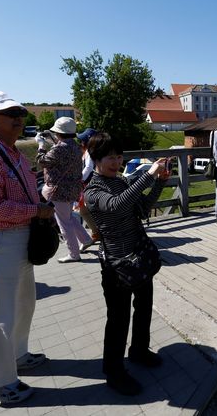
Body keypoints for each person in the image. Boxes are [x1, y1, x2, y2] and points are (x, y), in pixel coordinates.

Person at [0, 91, 55, 405]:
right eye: (9, 113)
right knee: (0, 314)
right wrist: (36, 211)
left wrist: (38, 207)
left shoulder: (13, 154)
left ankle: (17, 355)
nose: (18, 118)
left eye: (19, 112)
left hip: (18, 239)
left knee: (23, 303)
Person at [83, 133, 170, 396]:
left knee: (144, 308)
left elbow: (141, 207)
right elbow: (116, 207)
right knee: (118, 320)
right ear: (96, 159)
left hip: (139, 258)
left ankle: (139, 351)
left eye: (119, 156)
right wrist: (148, 175)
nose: (116, 161)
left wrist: (159, 184)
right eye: (110, 157)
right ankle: (114, 372)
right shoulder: (93, 191)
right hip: (116, 266)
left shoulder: (119, 182)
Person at [36, 117, 93, 263]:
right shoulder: (75, 146)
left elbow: (42, 161)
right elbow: (62, 152)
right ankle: (86, 239)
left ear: (58, 133)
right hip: (72, 189)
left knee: (64, 223)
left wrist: (41, 145)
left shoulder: (59, 148)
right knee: (68, 218)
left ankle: (74, 254)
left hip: (59, 191)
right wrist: (53, 142)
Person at [76, 127, 101, 252]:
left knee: (84, 211)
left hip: (89, 184)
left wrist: (79, 179)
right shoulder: (92, 151)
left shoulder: (90, 152)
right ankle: (96, 233)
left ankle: (97, 234)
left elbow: (89, 167)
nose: (80, 142)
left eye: (82, 140)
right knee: (84, 210)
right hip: (91, 184)